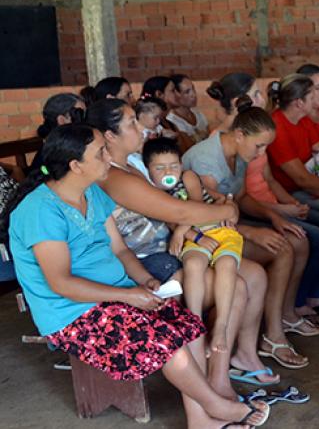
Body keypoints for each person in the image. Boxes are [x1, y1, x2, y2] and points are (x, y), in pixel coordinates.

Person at [2, 124, 269, 428]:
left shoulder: (92, 193)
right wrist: (128, 295)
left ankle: (200, 421)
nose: (108, 156)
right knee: (168, 343)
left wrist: (145, 281)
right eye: (101, 152)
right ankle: (217, 406)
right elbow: (61, 283)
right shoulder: (40, 210)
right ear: (76, 166)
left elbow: (121, 251)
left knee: (189, 327)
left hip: (117, 295)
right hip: (73, 313)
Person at [87, 98, 282, 389]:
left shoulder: (132, 165)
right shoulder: (114, 176)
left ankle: (243, 356)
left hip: (170, 246)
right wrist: (225, 211)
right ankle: (214, 380)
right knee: (238, 286)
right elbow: (177, 211)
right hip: (148, 262)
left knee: (254, 274)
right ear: (110, 135)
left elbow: (170, 214)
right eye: (132, 123)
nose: (140, 128)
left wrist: (192, 233)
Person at [183, 101, 312, 369]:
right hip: (200, 237)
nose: (262, 153)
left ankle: (277, 326)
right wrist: (252, 232)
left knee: (291, 240)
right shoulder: (206, 159)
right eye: (259, 146)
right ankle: (273, 335)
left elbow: (240, 198)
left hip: (225, 231)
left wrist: (272, 216)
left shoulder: (239, 155)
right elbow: (205, 216)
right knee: (282, 248)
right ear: (239, 134)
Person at [144, 137, 242, 355]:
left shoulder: (188, 177)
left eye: (174, 166)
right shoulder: (151, 193)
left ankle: (221, 326)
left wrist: (181, 231)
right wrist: (192, 236)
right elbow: (169, 220)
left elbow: (196, 205)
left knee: (227, 264)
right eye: (160, 168)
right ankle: (195, 321)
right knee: (193, 265)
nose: (169, 172)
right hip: (194, 236)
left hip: (219, 230)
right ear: (148, 171)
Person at [266, 74, 319, 317]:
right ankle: (302, 298)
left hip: (305, 189)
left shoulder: (302, 120)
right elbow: (300, 178)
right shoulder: (278, 125)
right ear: (299, 102)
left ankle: (315, 293)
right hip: (290, 194)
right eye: (313, 93)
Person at [166, 74, 210, 144]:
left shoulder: (199, 115)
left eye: (193, 89)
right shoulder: (173, 121)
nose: (193, 95)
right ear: (176, 94)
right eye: (187, 92)